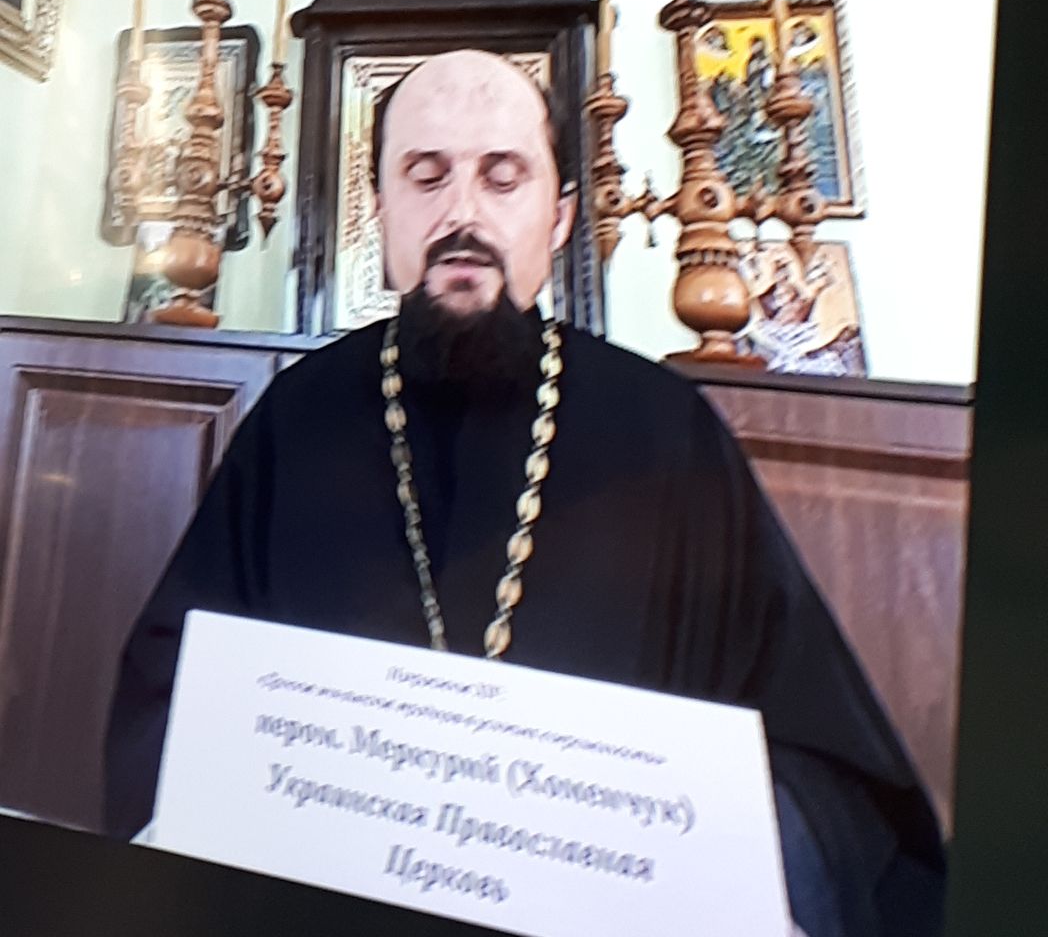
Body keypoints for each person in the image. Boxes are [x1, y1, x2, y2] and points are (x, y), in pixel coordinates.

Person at [105, 50, 945, 937]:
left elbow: (821, 764)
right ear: (381, 209)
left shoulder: (668, 433)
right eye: (425, 176)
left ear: (560, 216)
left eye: (503, 178)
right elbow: (174, 695)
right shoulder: (296, 418)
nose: (461, 213)